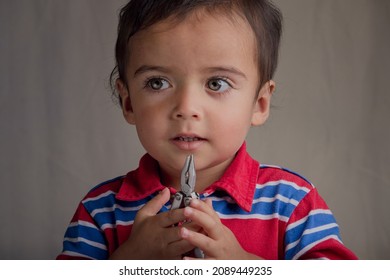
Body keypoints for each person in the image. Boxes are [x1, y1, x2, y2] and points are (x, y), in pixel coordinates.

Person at [57, 0, 357, 260]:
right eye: (158, 82)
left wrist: (244, 266)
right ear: (129, 103)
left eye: (217, 83)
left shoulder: (293, 203)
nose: (186, 107)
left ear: (260, 103)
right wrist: (128, 262)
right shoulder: (100, 211)